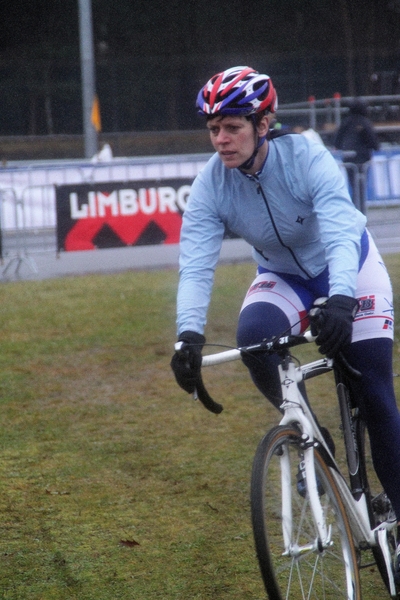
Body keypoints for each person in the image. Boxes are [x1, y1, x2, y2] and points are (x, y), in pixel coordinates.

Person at [170, 66, 400, 577]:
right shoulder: (212, 182)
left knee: (376, 396)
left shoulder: (306, 157)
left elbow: (342, 230)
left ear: (263, 122)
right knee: (253, 338)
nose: (221, 139)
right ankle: (311, 433)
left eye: (232, 126)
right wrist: (188, 334)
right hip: (283, 276)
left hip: (350, 268)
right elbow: (196, 261)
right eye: (213, 129)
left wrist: (341, 299)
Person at [334, 98, 380, 211]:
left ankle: (355, 211)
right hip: (362, 159)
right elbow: (374, 143)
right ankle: (360, 213)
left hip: (348, 158)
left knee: (354, 186)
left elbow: (336, 142)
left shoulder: (345, 122)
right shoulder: (365, 123)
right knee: (360, 188)